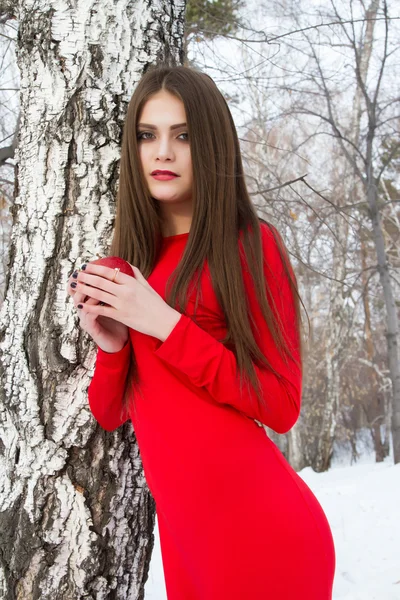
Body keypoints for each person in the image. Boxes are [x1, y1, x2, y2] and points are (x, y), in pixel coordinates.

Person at [66, 63, 336, 599]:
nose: (162, 152)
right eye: (147, 135)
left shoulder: (249, 246)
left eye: (183, 135)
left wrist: (165, 324)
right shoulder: (134, 267)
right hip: (188, 552)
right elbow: (111, 412)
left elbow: (282, 404)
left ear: (209, 145)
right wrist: (115, 348)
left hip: (264, 538)